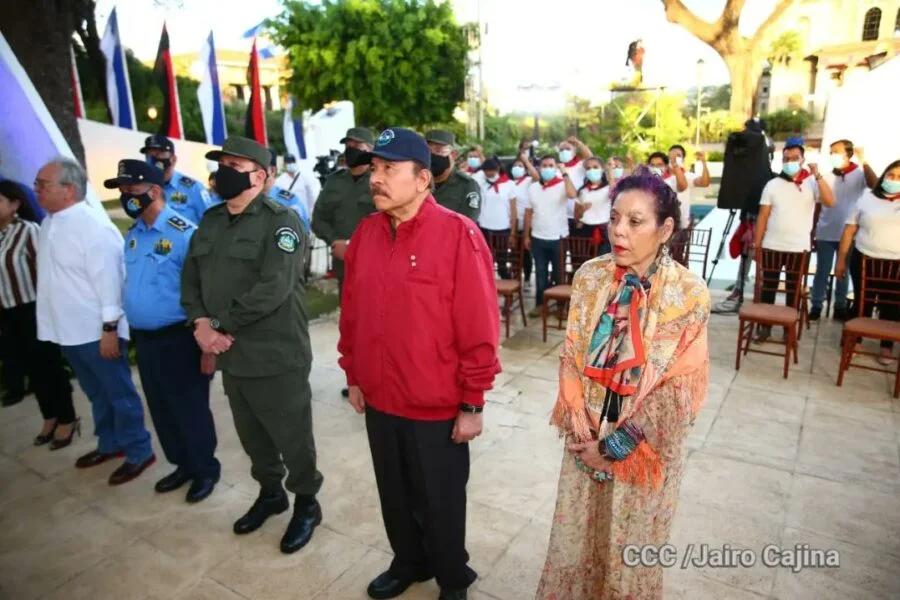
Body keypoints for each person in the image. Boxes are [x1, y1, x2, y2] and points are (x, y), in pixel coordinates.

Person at [338, 127, 500, 600]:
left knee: (441, 500)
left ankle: (452, 577)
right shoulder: (367, 234)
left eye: (389, 169)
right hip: (381, 397)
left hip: (436, 404)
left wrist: (473, 402)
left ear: (423, 178)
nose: (377, 178)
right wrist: (353, 374)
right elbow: (353, 313)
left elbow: (479, 328)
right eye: (374, 168)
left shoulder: (457, 234)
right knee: (394, 492)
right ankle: (409, 560)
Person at [537, 167, 711, 599]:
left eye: (635, 222)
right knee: (580, 541)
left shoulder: (687, 294)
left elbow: (679, 391)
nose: (619, 231)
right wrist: (584, 430)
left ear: (665, 228)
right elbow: (573, 351)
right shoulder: (591, 276)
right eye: (615, 218)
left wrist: (614, 448)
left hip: (643, 448)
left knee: (631, 552)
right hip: (586, 435)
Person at [182, 136, 323, 554]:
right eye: (221, 163)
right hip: (232, 355)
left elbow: (274, 288)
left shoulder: (282, 222)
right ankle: (271, 492)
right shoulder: (210, 221)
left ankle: (306, 502)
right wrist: (200, 322)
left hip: (276, 352)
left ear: (259, 176)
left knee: (291, 435)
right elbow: (191, 278)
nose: (223, 170)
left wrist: (219, 325)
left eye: (234, 164)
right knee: (251, 433)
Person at [103, 159, 221, 503]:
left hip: (181, 338)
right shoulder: (134, 234)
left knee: (190, 408)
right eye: (122, 191)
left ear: (154, 191)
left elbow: (207, 294)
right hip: (147, 339)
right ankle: (181, 464)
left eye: (131, 190)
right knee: (161, 408)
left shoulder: (185, 233)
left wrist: (208, 349)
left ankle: (204, 469)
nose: (126, 197)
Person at [34, 158, 155, 484]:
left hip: (97, 331)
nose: (37, 190)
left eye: (43, 184)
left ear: (69, 189)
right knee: (96, 393)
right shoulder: (49, 223)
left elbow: (110, 285)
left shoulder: (93, 227)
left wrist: (109, 330)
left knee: (118, 393)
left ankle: (139, 451)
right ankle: (110, 442)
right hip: (68, 331)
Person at [0, 180, 77, 447]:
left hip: (33, 309)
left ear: (15, 204)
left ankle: (67, 418)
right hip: (7, 313)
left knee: (48, 365)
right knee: (31, 369)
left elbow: (47, 272)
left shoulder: (29, 231)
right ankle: (49, 416)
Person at [311, 127, 376, 398]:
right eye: (348, 144)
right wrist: (335, 242)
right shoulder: (335, 181)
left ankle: (378, 380)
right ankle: (358, 378)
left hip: (375, 265)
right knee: (352, 324)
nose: (351, 150)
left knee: (378, 322)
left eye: (357, 145)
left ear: (370, 149)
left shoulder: (380, 179)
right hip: (345, 267)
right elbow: (318, 218)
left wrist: (355, 246)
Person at [752, 137, 835, 343]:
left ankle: (789, 329)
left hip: (799, 248)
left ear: (802, 159)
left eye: (794, 158)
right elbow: (763, 215)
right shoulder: (772, 185)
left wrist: (818, 175)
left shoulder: (812, 184)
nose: (790, 161)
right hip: (772, 245)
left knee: (793, 290)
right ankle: (765, 326)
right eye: (786, 158)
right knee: (768, 288)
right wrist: (757, 244)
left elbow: (830, 201)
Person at [835, 159, 900, 365]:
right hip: (864, 258)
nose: (894, 180)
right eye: (891, 175)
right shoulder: (867, 197)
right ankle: (854, 339)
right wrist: (841, 260)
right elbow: (849, 229)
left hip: (896, 264)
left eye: (899, 177)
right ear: (883, 176)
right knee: (863, 299)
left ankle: (886, 346)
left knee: (892, 306)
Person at [810, 140, 878, 321]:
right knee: (822, 270)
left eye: (837, 152)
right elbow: (818, 205)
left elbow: (875, 185)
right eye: (831, 152)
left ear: (848, 154)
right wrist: (813, 230)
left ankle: (840, 306)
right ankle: (816, 305)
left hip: (849, 233)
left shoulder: (860, 174)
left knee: (843, 271)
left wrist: (864, 160)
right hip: (825, 231)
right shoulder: (825, 176)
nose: (833, 155)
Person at [522, 154, 577, 318]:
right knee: (540, 274)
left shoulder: (562, 185)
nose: (547, 168)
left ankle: (561, 307)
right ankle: (541, 304)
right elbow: (528, 213)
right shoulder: (533, 188)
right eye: (544, 165)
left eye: (550, 165)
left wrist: (565, 173)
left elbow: (572, 194)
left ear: (555, 167)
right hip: (538, 237)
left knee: (559, 273)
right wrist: (526, 236)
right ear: (539, 168)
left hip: (558, 237)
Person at [140, 135, 211, 224]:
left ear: (173, 159)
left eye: (158, 154)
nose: (153, 160)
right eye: (149, 156)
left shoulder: (194, 188)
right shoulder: (143, 189)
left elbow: (211, 223)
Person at [425, 130, 483, 221]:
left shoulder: (467, 185)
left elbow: (467, 225)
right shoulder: (420, 182)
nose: (432, 156)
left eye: (438, 150)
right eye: (427, 151)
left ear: (453, 154)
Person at [573, 156, 622, 256]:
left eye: (595, 167)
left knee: (602, 264)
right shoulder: (582, 191)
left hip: (603, 232)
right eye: (588, 168)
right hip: (584, 231)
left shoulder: (608, 188)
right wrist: (582, 210)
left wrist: (610, 171)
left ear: (601, 169)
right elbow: (576, 216)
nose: (592, 170)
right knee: (584, 262)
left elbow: (613, 194)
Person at [477, 157, 517, 279]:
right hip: (484, 227)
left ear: (498, 169)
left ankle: (506, 287)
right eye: (486, 171)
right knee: (484, 262)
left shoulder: (509, 184)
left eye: (491, 171)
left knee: (502, 262)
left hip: (502, 227)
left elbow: (513, 209)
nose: (488, 173)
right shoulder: (481, 183)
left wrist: (513, 232)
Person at [265, 150, 311, 230]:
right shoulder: (247, 199)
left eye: (261, 169)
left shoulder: (291, 199)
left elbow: (303, 230)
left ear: (273, 170)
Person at [667, 145, 711, 229]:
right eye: (672, 155)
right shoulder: (659, 175)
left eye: (678, 156)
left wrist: (703, 162)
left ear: (683, 159)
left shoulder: (687, 176)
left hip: (681, 227)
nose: (674, 158)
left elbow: (705, 183)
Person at [557, 137, 592, 235]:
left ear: (574, 152)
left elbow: (591, 158)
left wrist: (578, 143)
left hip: (577, 217)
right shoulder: (556, 169)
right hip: (560, 217)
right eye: (561, 150)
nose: (564, 151)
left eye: (568, 149)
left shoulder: (580, 165)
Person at [511, 156, 534, 287]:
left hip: (526, 223)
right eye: (515, 166)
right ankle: (515, 277)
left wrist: (527, 162)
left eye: (520, 166)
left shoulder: (528, 180)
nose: (517, 168)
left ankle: (527, 278)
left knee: (525, 252)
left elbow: (537, 177)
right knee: (514, 252)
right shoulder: (509, 183)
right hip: (513, 223)